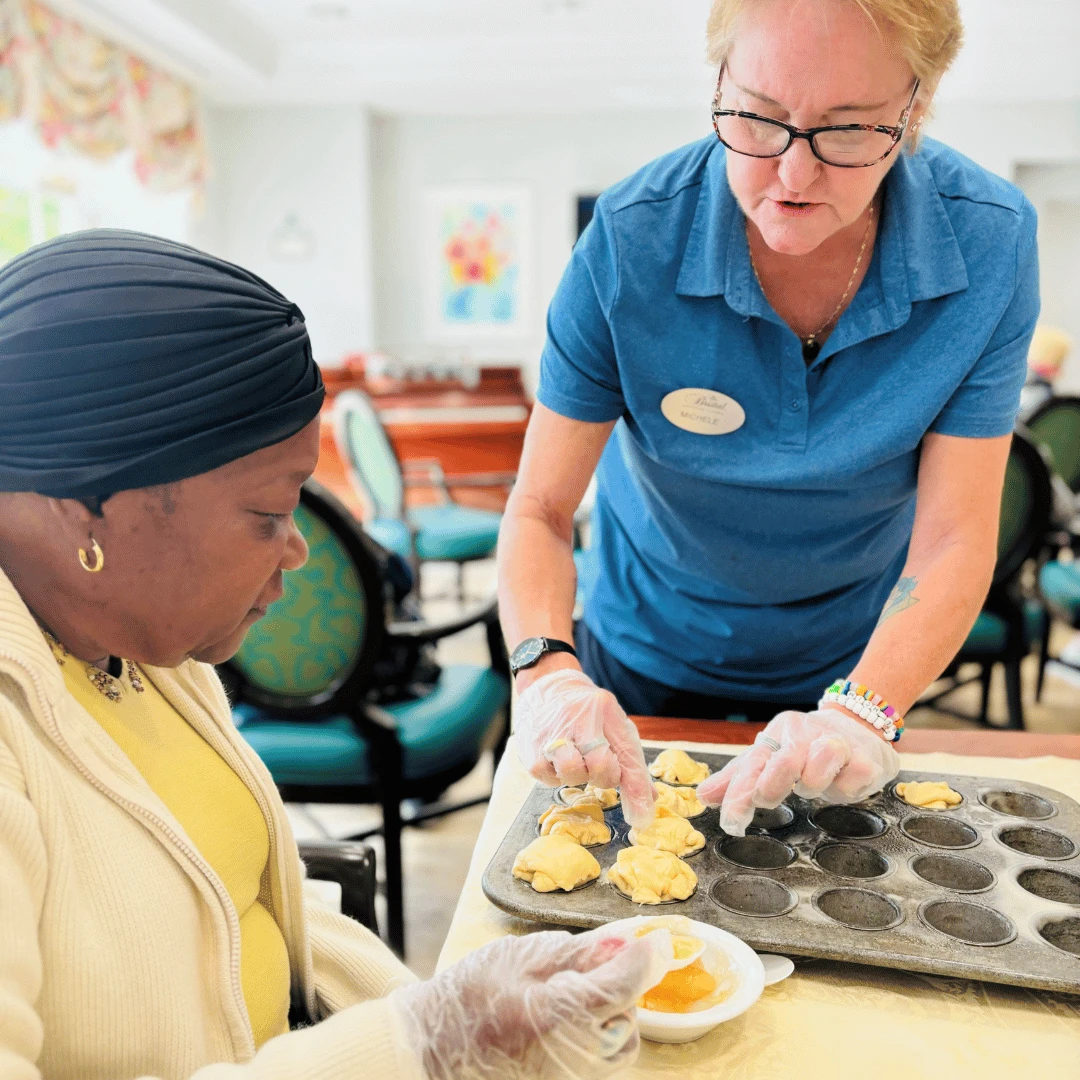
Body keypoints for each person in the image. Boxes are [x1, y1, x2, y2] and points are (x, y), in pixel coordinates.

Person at [0, 230, 666, 1080]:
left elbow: (253, 910)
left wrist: (437, 1006)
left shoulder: (140, 647)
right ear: (86, 509)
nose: (297, 552)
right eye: (268, 515)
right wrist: (416, 1044)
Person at [498, 0, 1039, 834]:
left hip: (852, 670)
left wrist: (861, 711)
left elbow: (956, 536)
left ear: (916, 106)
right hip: (642, 659)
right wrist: (545, 673)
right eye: (757, 117)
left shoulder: (990, 243)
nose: (792, 175)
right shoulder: (629, 239)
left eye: (850, 130)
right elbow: (537, 508)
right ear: (718, 81)